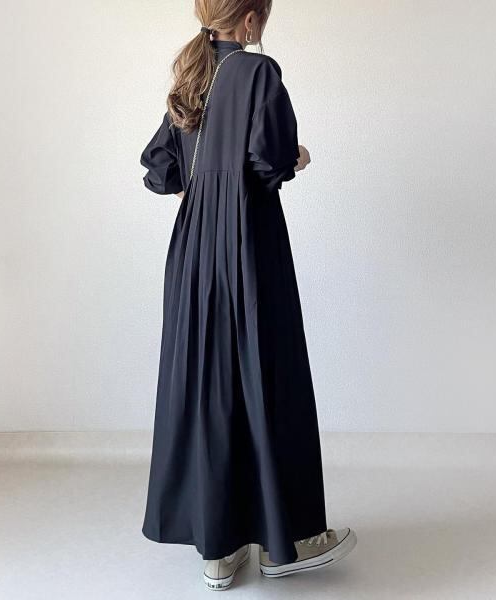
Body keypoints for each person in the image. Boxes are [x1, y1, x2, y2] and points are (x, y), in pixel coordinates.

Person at [140, 0, 357, 591]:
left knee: (208, 382)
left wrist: (207, 185)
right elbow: (270, 160)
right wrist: (298, 156)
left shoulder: (192, 75)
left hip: (192, 252)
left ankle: (219, 546)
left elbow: (162, 169)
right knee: (267, 373)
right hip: (248, 243)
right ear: (252, 20)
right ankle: (290, 540)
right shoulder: (257, 70)